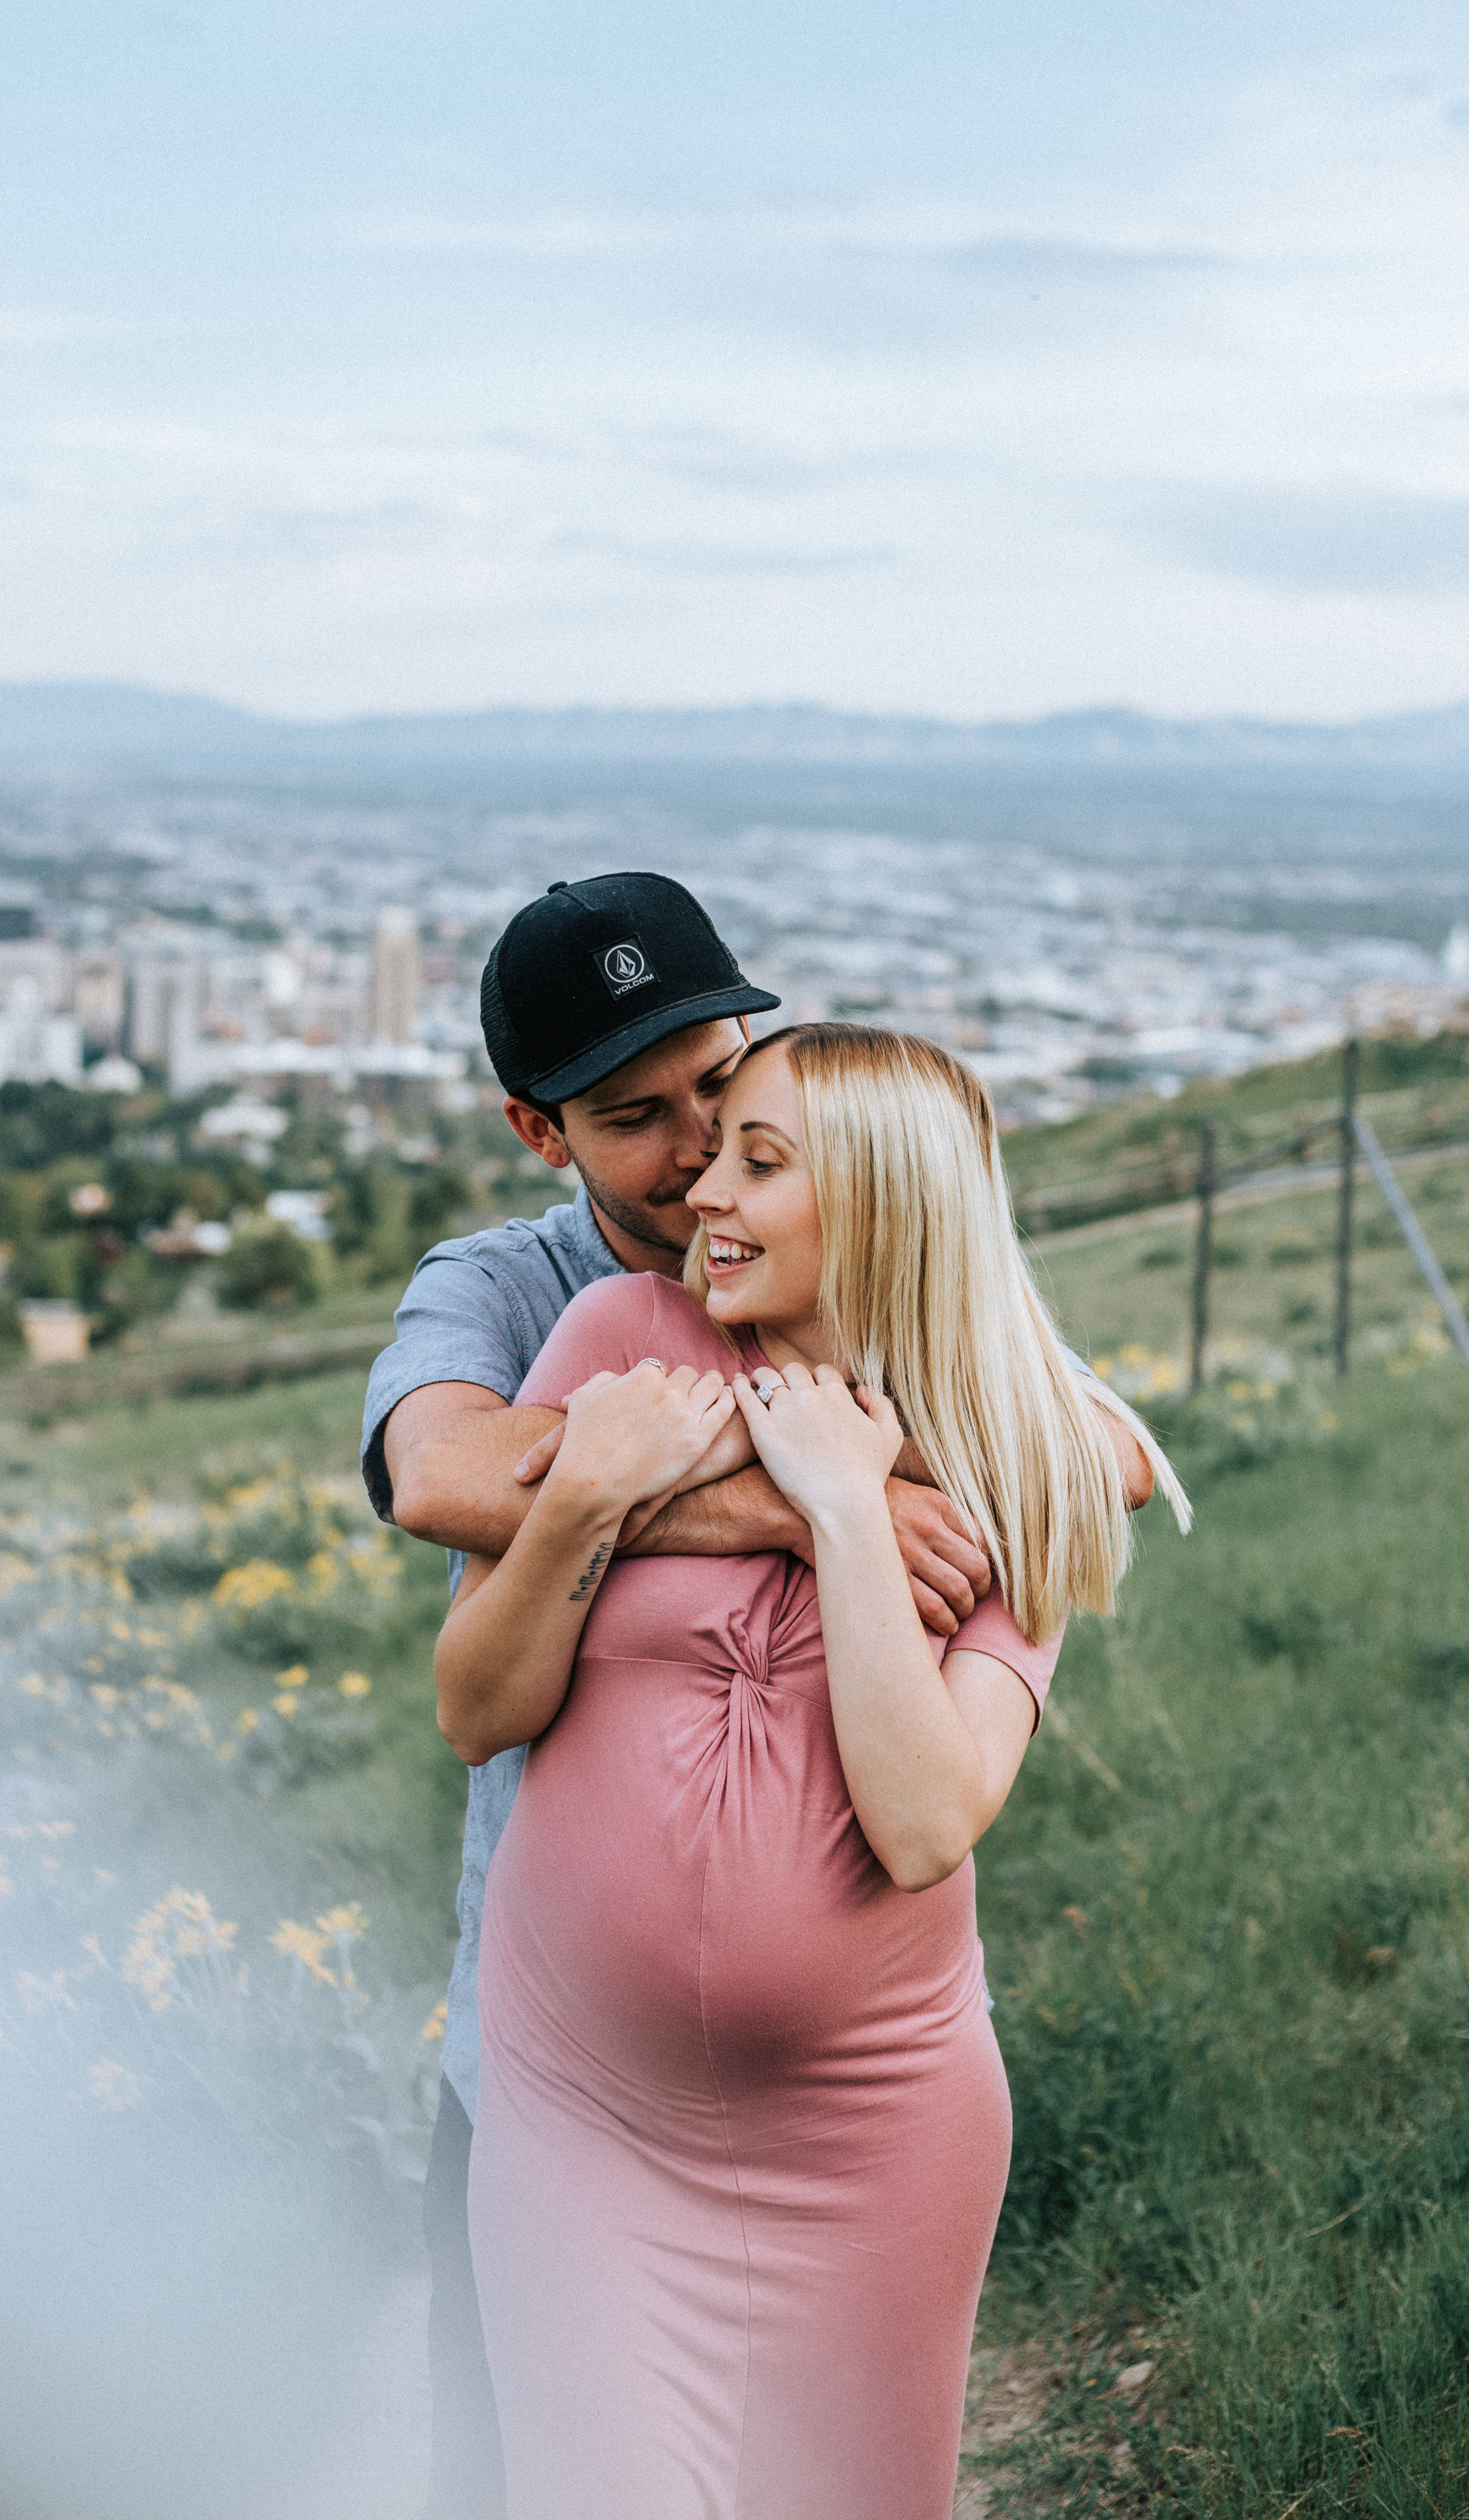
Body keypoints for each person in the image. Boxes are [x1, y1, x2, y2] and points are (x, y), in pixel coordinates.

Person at [365, 875, 1124, 2515]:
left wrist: (884, 1466)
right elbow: (441, 1476)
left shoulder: (922, 1367)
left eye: (728, 1098)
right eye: (640, 1121)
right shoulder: (531, 1300)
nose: (701, 1154)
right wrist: (775, 1492)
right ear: (536, 1130)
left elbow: (1101, 1449)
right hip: (553, 2084)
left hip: (858, 2120)